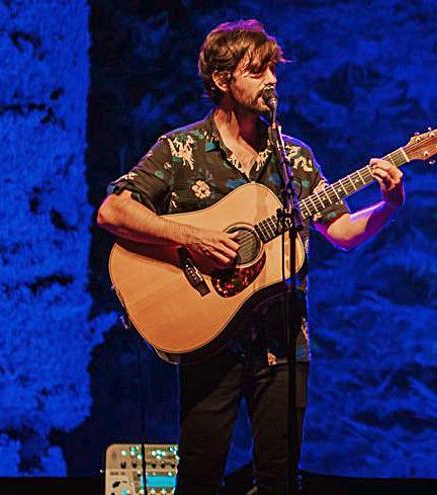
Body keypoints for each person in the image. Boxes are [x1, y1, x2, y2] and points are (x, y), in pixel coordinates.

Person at [96, 19, 404, 495]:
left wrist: (388, 206)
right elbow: (114, 210)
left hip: (283, 341)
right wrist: (191, 238)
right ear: (223, 80)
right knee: (199, 477)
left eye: (273, 70)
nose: (273, 81)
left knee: (280, 480)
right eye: (258, 71)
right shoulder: (182, 150)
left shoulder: (293, 158)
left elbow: (340, 231)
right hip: (208, 337)